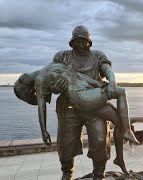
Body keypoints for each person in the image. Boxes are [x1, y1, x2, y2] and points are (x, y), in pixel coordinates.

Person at [18, 25, 135, 180]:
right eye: (77, 42)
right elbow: (52, 83)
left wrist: (112, 80)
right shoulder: (62, 57)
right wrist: (56, 88)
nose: (80, 45)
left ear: (89, 42)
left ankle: (99, 174)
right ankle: (67, 173)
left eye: (84, 42)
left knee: (100, 141)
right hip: (69, 107)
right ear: (71, 42)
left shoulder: (97, 56)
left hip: (95, 107)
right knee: (66, 145)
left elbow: (106, 69)